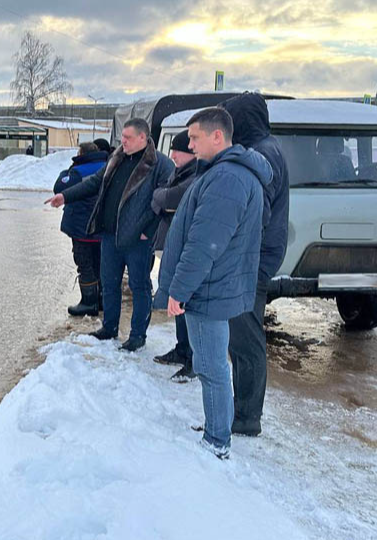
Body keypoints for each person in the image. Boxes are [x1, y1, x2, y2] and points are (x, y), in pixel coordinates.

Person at [154, 107, 272, 459]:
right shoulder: (228, 174)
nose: (189, 144)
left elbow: (206, 243)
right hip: (215, 285)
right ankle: (216, 428)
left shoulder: (227, 180)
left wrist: (179, 289)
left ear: (217, 136)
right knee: (212, 365)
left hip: (208, 289)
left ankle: (217, 440)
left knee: (211, 367)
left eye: (194, 137)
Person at [45, 118, 174, 351]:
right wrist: (65, 196)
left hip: (137, 239)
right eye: (122, 137)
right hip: (109, 235)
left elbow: (166, 202)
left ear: (143, 138)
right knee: (110, 284)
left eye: (128, 138)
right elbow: (95, 182)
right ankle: (109, 327)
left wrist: (149, 232)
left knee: (139, 286)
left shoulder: (159, 164)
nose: (122, 141)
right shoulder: (117, 158)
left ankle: (137, 336)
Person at [220, 92, 289, 437]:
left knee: (245, 339)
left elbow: (253, 213)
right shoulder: (268, 147)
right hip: (255, 257)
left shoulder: (261, 154)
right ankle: (243, 410)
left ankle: (246, 417)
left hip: (250, 260)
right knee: (242, 337)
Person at [150, 129, 199, 382]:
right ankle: (182, 350)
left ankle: (193, 360)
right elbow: (159, 197)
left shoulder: (196, 174)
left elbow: (168, 197)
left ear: (190, 153)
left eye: (177, 151)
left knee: (187, 303)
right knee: (177, 302)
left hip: (186, 247)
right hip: (173, 244)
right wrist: (162, 199)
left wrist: (162, 199)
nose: (172, 156)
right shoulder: (179, 172)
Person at [53, 141, 109, 316]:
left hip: (81, 228)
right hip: (102, 227)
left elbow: (59, 187)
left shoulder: (78, 171)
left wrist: (70, 168)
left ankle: (88, 302)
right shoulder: (108, 167)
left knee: (85, 265)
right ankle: (102, 300)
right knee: (100, 265)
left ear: (82, 154)